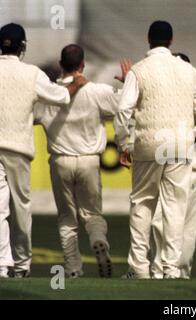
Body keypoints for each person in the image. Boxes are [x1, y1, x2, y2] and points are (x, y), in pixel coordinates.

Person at [114, 21, 196, 279]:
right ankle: (170, 268)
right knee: (175, 208)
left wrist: (124, 143)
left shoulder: (139, 70)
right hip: (180, 145)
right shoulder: (187, 70)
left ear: (148, 38)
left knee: (143, 204)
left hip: (149, 144)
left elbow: (123, 110)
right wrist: (183, 121)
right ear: (171, 40)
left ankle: (139, 267)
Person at [0, 23, 86, 278]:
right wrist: (76, 84)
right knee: (21, 208)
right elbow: (60, 97)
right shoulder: (31, 73)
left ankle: (2, 265)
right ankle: (22, 264)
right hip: (18, 149)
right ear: (22, 47)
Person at [33, 45, 127, 278]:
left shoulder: (48, 94)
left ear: (60, 64)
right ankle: (98, 239)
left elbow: (29, 116)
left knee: (67, 217)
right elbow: (124, 107)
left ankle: (73, 269)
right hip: (89, 161)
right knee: (92, 214)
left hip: (60, 160)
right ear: (82, 65)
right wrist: (126, 83)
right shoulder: (96, 91)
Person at [149, 53, 196, 280]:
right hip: (194, 174)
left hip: (170, 171)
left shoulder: (163, 102)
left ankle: (161, 271)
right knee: (188, 228)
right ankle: (180, 273)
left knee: (164, 222)